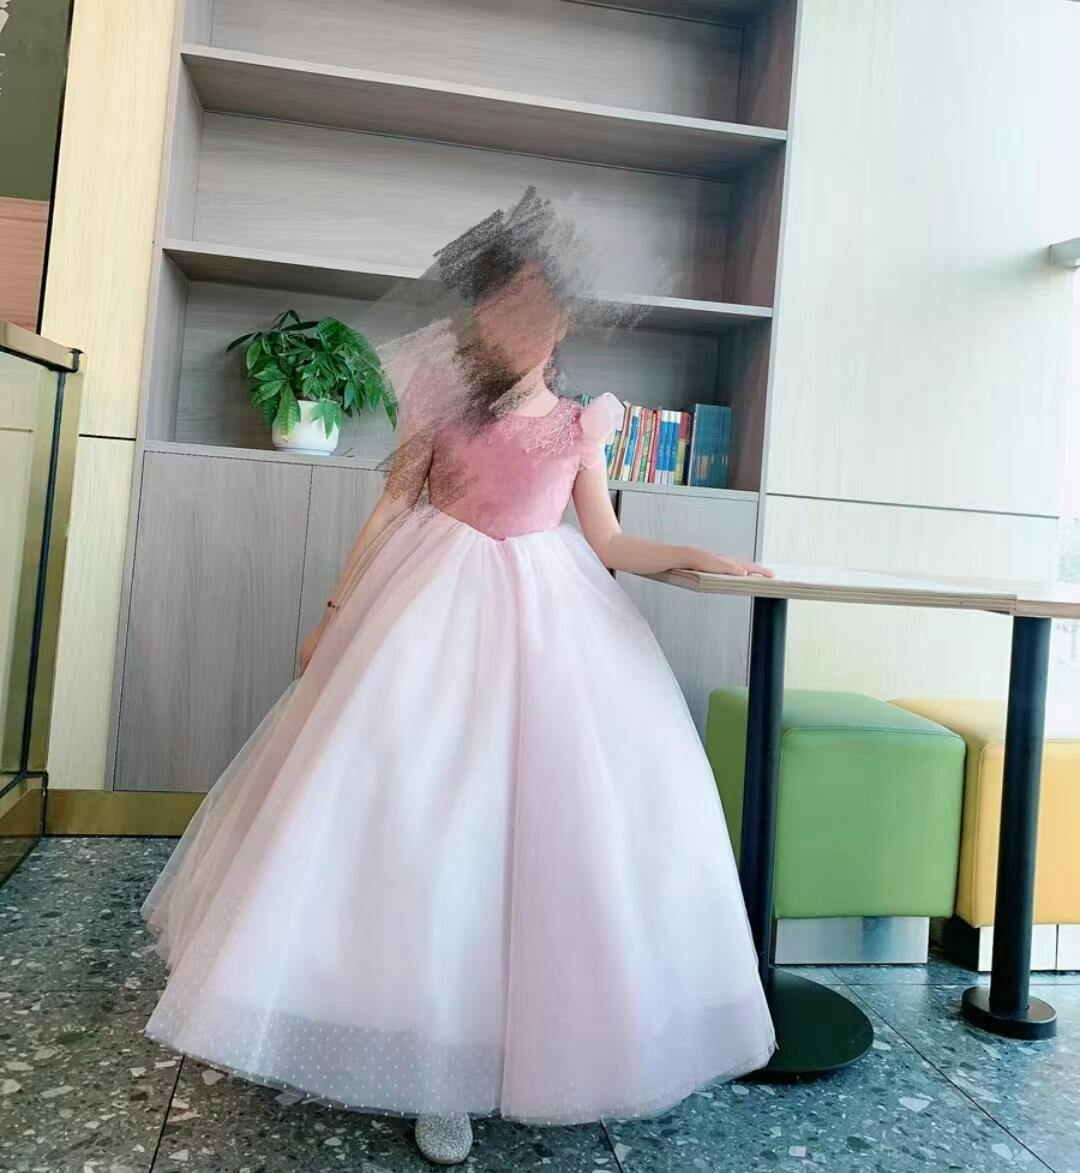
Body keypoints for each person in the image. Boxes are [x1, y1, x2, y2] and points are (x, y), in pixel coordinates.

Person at [140, 197, 777, 1166]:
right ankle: (429, 1069)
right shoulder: (442, 402)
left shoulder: (581, 424)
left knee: (544, 833)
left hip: (549, 628)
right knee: (420, 818)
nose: (518, 325)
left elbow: (609, 541)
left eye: (536, 310)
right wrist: (334, 614)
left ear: (560, 324)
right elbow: (392, 506)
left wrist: (705, 555)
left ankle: (527, 1046)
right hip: (427, 612)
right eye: (501, 309)